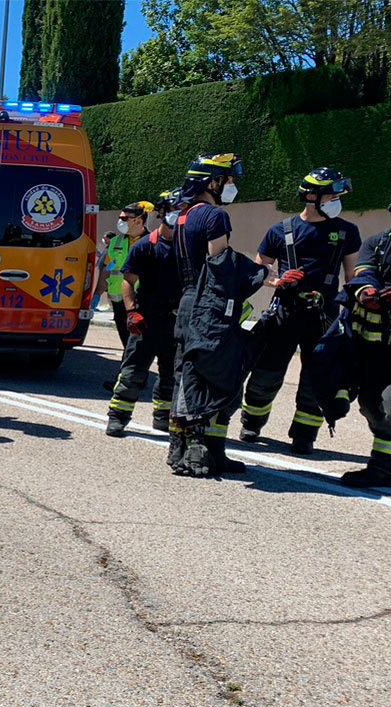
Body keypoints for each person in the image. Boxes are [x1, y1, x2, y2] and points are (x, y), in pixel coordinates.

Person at [239, 168, 361, 454]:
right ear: (312, 197)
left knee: (316, 378)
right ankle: (252, 423)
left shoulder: (346, 232)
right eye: (332, 195)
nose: (337, 200)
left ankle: (305, 434)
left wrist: (354, 308)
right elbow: (259, 271)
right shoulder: (280, 231)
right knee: (266, 374)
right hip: (285, 314)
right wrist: (277, 281)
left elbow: (353, 276)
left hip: (323, 316)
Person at [169, 153, 268, 477]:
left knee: (187, 374)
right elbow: (220, 265)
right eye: (228, 180)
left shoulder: (183, 216)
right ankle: (201, 451)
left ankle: (186, 449)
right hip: (207, 308)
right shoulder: (214, 217)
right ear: (212, 182)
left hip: (186, 303)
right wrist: (260, 273)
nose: (232, 186)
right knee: (213, 374)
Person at [105, 189, 184, 436]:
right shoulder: (145, 246)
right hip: (146, 319)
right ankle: (117, 417)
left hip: (175, 321)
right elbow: (127, 280)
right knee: (132, 371)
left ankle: (162, 417)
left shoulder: (187, 248)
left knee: (170, 373)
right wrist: (132, 312)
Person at [339, 189, 391, 487]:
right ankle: (386, 467)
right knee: (377, 402)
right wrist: (366, 292)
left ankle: (386, 468)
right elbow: (363, 271)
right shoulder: (379, 243)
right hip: (378, 345)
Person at [102, 201, 155, 347]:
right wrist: (97, 293)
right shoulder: (115, 242)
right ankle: (126, 366)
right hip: (119, 300)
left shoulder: (152, 242)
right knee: (126, 340)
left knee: (140, 341)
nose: (120, 222)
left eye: (124, 219)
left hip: (141, 299)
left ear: (138, 220)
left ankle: (131, 367)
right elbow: (106, 269)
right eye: (120, 218)